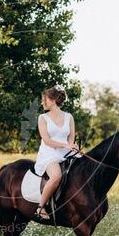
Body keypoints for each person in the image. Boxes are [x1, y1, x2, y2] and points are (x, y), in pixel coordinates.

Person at [34, 86, 79, 219]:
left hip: (67, 152)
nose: (42, 103)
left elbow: (71, 137)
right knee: (56, 177)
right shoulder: (43, 118)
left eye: (44, 100)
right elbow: (47, 141)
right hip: (50, 153)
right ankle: (40, 207)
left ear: (53, 101)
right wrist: (66, 145)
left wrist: (72, 145)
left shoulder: (69, 117)